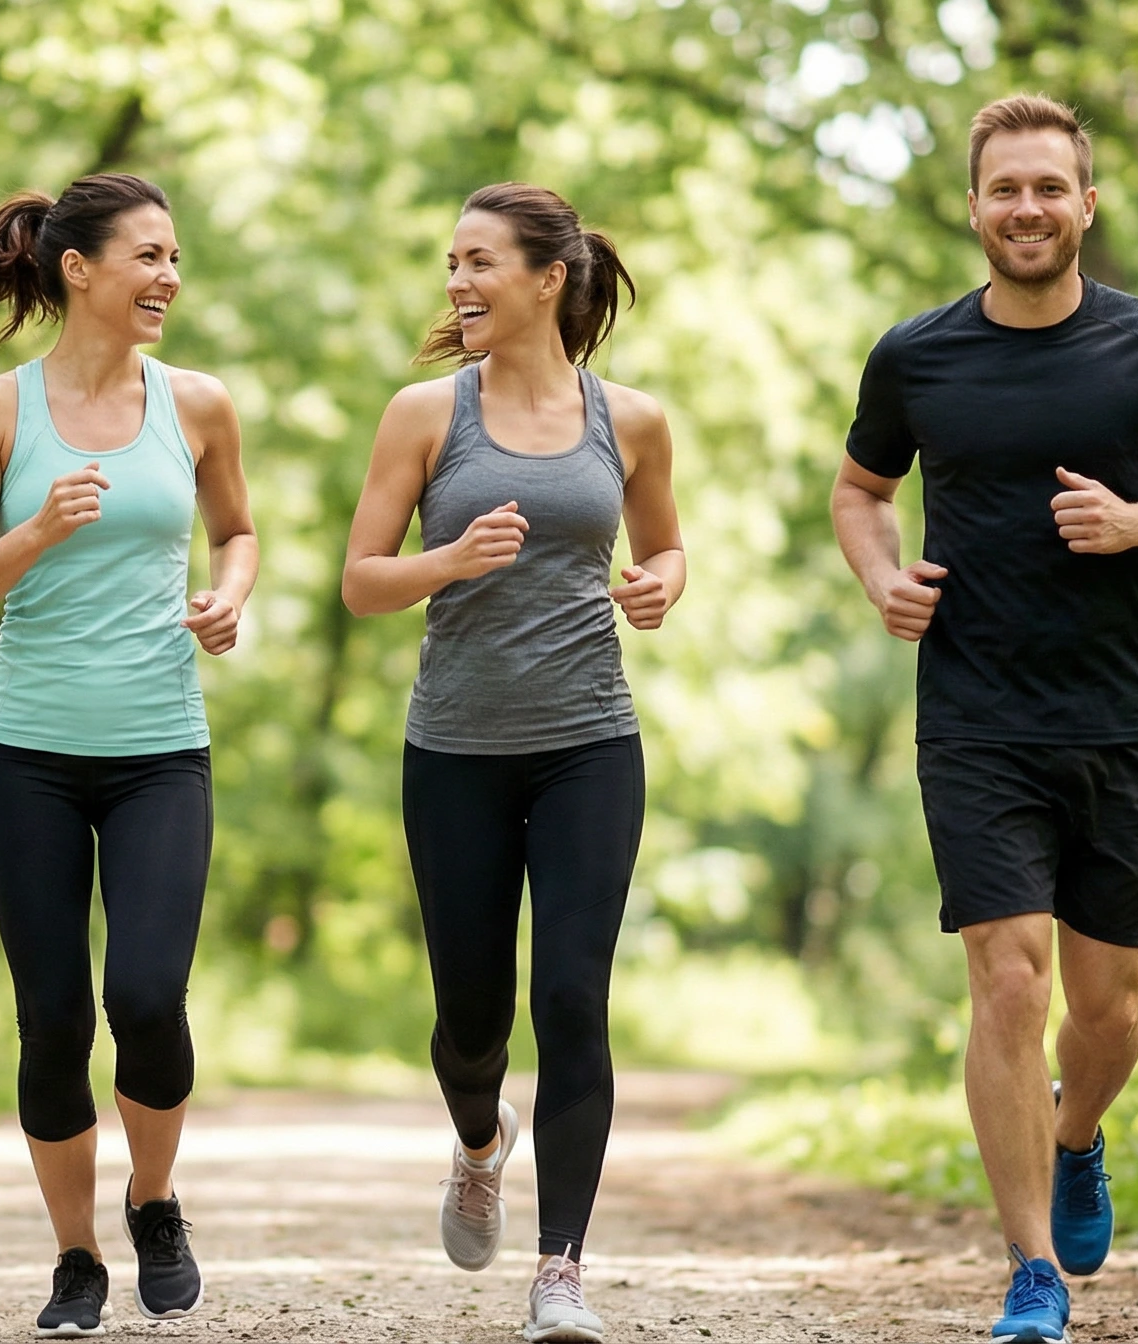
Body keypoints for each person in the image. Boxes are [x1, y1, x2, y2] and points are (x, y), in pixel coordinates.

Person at [829, 94, 1138, 1344]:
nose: (1025, 208)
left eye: (1047, 188)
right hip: (973, 712)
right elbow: (861, 491)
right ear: (972, 207)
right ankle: (1031, 1273)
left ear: (1087, 204)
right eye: (1003, 189)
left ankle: (1077, 1132)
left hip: (1119, 716)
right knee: (1006, 983)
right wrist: (882, 576)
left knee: (1112, 1001)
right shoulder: (916, 356)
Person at [340, 183, 685, 1344]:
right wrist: (448, 562)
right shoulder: (425, 414)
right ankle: (481, 1140)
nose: (458, 282)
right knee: (470, 1019)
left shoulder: (628, 419)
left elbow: (668, 545)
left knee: (573, 998)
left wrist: (658, 587)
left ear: (550, 277)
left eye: (480, 261)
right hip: (457, 749)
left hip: (591, 739)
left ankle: (562, 1269)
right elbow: (359, 580)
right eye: (451, 262)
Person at [0, 172, 259, 1340]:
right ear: (80, 269)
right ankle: (76, 1258)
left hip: (162, 747)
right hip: (28, 752)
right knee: (54, 1016)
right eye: (150, 256)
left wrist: (227, 600)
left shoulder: (200, 403)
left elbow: (238, 532)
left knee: (150, 997)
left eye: (175, 258)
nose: (170, 277)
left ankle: (153, 1201)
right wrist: (38, 529)